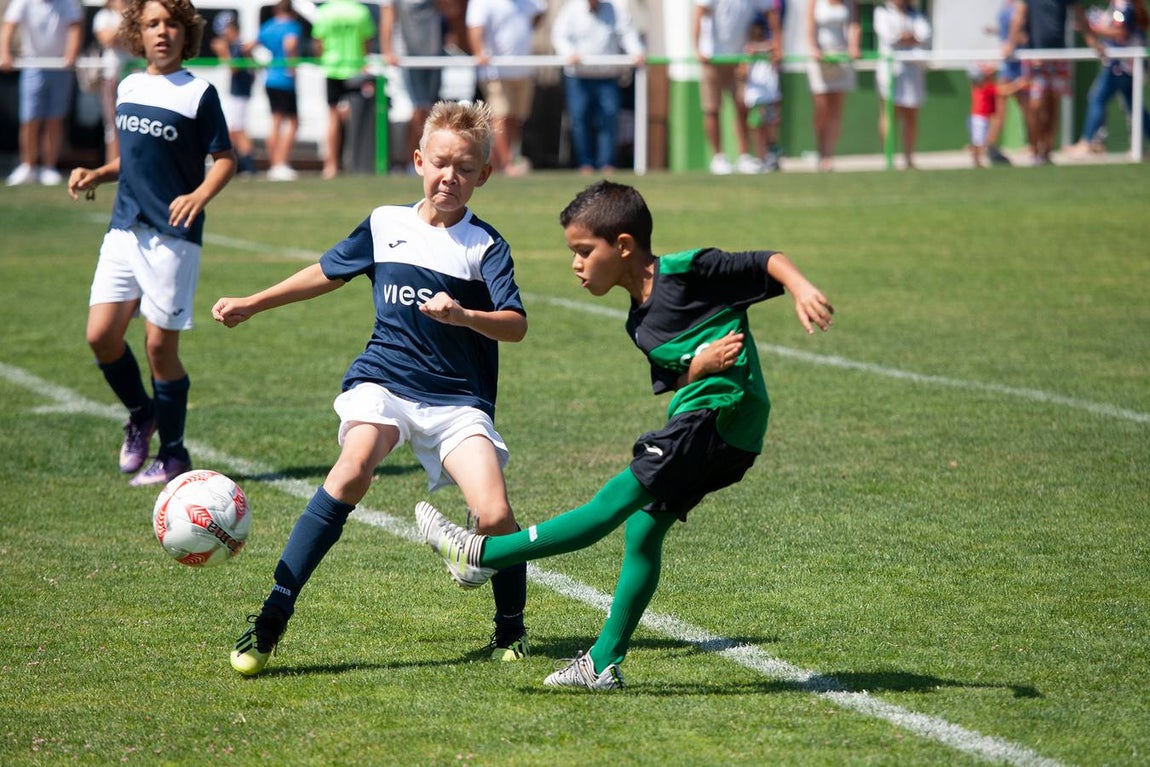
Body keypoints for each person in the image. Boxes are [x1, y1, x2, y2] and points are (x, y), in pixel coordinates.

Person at [416, 180, 834, 690]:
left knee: (609, 505)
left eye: (583, 251)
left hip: (721, 416)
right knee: (642, 528)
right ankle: (603, 664)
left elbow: (767, 259)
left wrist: (801, 287)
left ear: (624, 246)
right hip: (706, 423)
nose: (576, 264)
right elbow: (676, 377)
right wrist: (699, 364)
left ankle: (482, 555)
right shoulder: (640, 323)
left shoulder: (688, 270)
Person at [215, 100, 532, 677]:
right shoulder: (386, 223)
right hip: (384, 381)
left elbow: (516, 325)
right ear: (418, 161)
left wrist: (464, 316)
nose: (450, 177)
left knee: (495, 515)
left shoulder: (485, 247)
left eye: (465, 168)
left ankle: (510, 628)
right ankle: (271, 619)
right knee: (352, 467)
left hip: (458, 400)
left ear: (484, 175)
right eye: (440, 163)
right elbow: (326, 271)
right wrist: (252, 303)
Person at [66, 0, 236, 487]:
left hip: (173, 237)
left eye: (172, 24)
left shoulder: (198, 93)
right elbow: (133, 158)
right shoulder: (128, 86)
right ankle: (142, 414)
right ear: (136, 34)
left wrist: (200, 194)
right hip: (123, 228)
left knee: (160, 347)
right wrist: (100, 171)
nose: (163, 32)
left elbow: (224, 158)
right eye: (152, 24)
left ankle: (175, 454)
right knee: (100, 336)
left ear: (187, 33)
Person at [551, 0, 646, 174]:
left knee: (609, 119)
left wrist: (636, 52)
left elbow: (627, 33)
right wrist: (568, 53)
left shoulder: (614, 9)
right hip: (578, 76)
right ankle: (585, 163)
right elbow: (559, 36)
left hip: (607, 76)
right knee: (579, 119)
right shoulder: (571, 10)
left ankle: (607, 163)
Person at [1004, 0, 1100, 166]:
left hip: (1058, 55)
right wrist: (1010, 44)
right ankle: (1035, 150)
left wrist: (1091, 40)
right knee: (1035, 105)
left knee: (1052, 104)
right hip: (1034, 55)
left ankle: (1047, 150)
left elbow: (1079, 13)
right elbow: (1019, 16)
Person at [0, 0, 83, 186]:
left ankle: (49, 167)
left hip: (60, 67)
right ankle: (28, 165)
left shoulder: (68, 3)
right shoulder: (23, 2)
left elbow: (75, 27)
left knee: (55, 118)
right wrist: (4, 53)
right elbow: (9, 26)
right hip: (32, 65)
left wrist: (71, 53)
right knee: (30, 119)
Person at [466, 0, 547, 176]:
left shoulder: (528, 2)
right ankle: (507, 163)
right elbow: (474, 28)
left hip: (522, 70)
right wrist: (479, 52)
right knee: (499, 117)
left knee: (515, 118)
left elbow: (540, 11)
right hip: (495, 71)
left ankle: (501, 161)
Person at [693, 0, 772, 174]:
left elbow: (770, 11)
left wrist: (776, 43)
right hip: (712, 58)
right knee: (712, 109)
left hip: (740, 59)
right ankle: (718, 157)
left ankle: (744, 156)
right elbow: (698, 13)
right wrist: (697, 49)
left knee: (742, 106)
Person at [1068, 0, 1150, 155]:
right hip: (1128, 66)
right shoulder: (1121, 7)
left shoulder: (1123, 7)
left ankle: (1088, 141)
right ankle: (1091, 141)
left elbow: (1120, 31)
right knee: (1135, 107)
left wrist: (1090, 28)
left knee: (1097, 98)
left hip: (1121, 65)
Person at [381, 0, 452, 174]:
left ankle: (427, 160)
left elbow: (451, 10)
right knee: (419, 110)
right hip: (410, 59)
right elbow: (387, 18)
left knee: (430, 112)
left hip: (434, 57)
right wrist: (387, 50)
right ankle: (409, 161)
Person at [311, 0, 376, 180]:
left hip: (332, 69)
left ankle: (330, 165)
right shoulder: (360, 11)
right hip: (355, 68)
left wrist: (324, 59)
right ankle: (352, 162)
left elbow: (318, 42)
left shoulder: (324, 11)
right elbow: (367, 42)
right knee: (354, 118)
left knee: (332, 118)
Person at [873, 0, 932, 170]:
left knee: (911, 115)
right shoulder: (882, 12)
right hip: (891, 70)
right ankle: (889, 157)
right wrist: (906, 37)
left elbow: (924, 34)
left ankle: (909, 157)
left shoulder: (916, 14)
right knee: (889, 114)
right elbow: (889, 36)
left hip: (912, 70)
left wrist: (908, 38)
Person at [805, 0, 860, 172]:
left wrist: (854, 47)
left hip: (841, 58)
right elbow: (809, 25)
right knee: (821, 108)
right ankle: (819, 150)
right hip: (820, 59)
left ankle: (829, 155)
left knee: (836, 110)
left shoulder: (849, 3)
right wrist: (813, 48)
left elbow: (854, 25)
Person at [257, 0, 302, 181]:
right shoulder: (292, 26)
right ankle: (281, 163)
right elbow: (290, 44)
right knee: (292, 122)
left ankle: (274, 164)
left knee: (275, 121)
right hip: (285, 79)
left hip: (269, 77)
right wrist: (291, 65)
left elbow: (252, 44)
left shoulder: (268, 26)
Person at [210, 11, 257, 176]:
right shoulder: (240, 46)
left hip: (239, 93)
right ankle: (242, 165)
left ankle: (248, 166)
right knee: (233, 129)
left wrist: (223, 52)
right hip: (237, 92)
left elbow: (234, 68)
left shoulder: (238, 46)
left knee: (238, 129)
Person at [982, 0, 1028, 165]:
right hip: (1008, 64)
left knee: (1027, 106)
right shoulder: (1006, 5)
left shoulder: (1021, 5)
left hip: (1020, 63)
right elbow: (1008, 30)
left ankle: (1038, 147)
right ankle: (990, 146)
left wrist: (1012, 42)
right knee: (999, 107)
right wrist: (996, 32)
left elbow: (1021, 32)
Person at [742, 7, 783, 172]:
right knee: (756, 127)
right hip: (755, 96)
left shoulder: (771, 51)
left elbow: (777, 60)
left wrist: (770, 49)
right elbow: (741, 72)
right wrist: (749, 56)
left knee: (770, 126)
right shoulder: (747, 53)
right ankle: (760, 157)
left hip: (770, 96)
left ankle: (771, 155)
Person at [93, 0, 130, 164]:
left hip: (134, 74)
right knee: (112, 125)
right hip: (112, 75)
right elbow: (108, 39)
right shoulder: (103, 16)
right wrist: (124, 16)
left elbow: (135, 41)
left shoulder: (136, 14)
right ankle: (113, 166)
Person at [968, 62, 998, 168]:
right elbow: (1002, 91)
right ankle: (977, 161)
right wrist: (1018, 85)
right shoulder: (984, 87)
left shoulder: (986, 86)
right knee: (978, 141)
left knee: (979, 140)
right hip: (978, 118)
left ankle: (977, 160)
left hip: (981, 117)